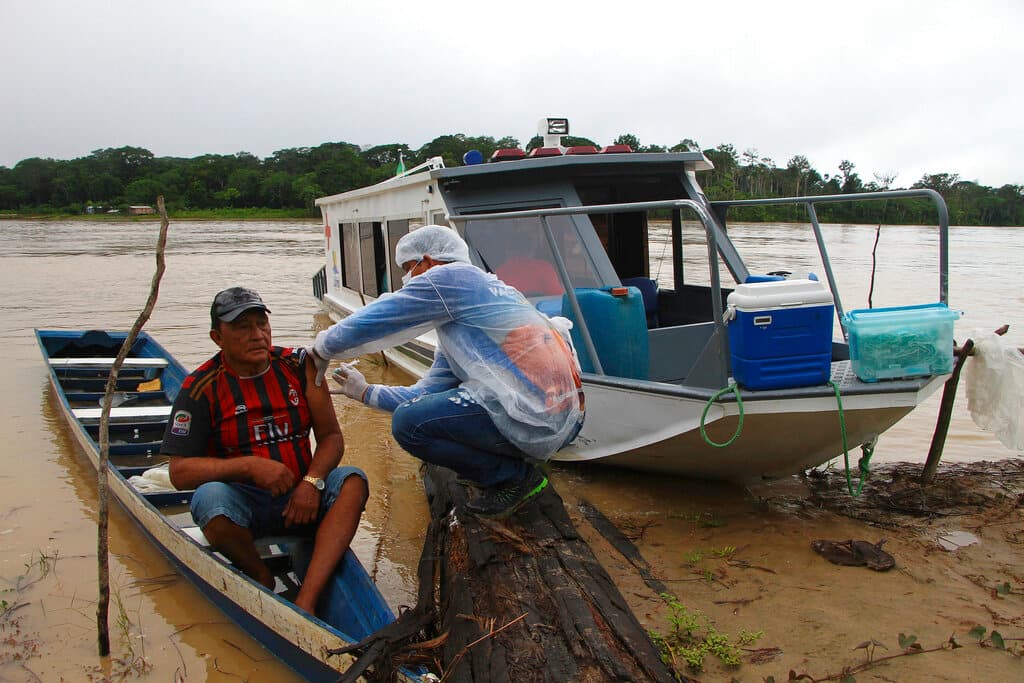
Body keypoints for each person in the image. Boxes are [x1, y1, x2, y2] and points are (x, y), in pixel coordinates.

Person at [308, 225, 584, 519]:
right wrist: (365, 392)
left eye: (408, 268)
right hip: (563, 421)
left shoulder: (450, 277)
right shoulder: (469, 315)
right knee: (417, 416)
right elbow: (424, 393)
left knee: (408, 424)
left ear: (427, 261)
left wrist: (321, 348)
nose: (407, 279)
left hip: (539, 417)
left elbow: (378, 317)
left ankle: (515, 479)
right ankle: (502, 469)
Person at [163, 287, 368, 615]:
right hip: (245, 508)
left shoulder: (299, 367)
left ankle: (306, 599)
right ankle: (260, 575)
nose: (257, 335)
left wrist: (311, 482)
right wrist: (248, 466)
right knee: (208, 499)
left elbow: (331, 437)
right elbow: (179, 473)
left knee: (353, 482)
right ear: (218, 338)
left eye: (262, 324)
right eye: (243, 327)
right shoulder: (200, 387)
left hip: (303, 501)